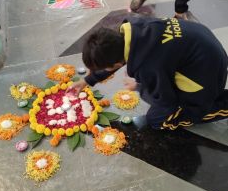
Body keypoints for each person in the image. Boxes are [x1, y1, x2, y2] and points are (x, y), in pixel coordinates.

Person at [69, 16, 228, 130]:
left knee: (157, 120)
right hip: (205, 47)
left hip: (207, 76)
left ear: (116, 64)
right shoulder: (132, 28)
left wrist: (139, 86)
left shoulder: (149, 66)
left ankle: (213, 106)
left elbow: (166, 100)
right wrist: (87, 80)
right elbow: (119, 57)